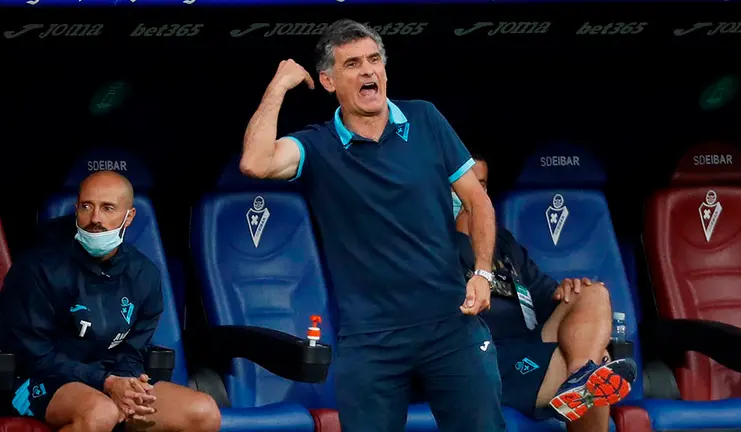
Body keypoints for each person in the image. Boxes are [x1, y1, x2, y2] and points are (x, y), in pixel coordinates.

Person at [240, 19, 505, 432]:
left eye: (374, 60)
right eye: (352, 64)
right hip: (370, 338)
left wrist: (484, 273)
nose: (368, 71)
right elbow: (255, 163)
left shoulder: (426, 118)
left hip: (450, 323)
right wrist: (278, 86)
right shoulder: (318, 145)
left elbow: (477, 200)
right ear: (328, 81)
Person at [0, 171, 221, 432]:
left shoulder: (143, 274)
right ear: (76, 210)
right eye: (86, 207)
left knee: (202, 412)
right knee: (101, 413)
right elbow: (34, 355)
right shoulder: (39, 268)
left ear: (129, 216)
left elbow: (133, 350)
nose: (95, 219)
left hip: (110, 381)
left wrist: (128, 387)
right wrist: (105, 382)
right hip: (42, 380)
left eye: (108, 208)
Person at [455, 154, 636, 431]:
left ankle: (580, 373)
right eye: (465, 185)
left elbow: (545, 294)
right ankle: (585, 374)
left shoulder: (501, 241)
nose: (477, 194)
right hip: (486, 356)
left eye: (483, 185)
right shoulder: (431, 244)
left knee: (592, 292)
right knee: (599, 368)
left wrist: (565, 290)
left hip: (528, 342)